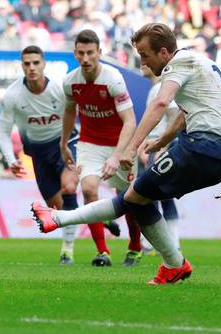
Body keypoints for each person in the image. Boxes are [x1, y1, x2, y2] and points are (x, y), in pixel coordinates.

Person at [32, 23, 221, 285]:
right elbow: (186, 115)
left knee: (134, 197)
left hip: (201, 147)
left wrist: (130, 148)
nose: (143, 63)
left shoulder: (179, 64)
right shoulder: (203, 64)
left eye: (145, 55)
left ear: (164, 52)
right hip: (219, 156)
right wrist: (162, 140)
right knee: (137, 196)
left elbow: (161, 103)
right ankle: (172, 264)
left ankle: (61, 219)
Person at [60, 30, 142, 267]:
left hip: (121, 144)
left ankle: (135, 247)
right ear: (75, 53)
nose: (85, 58)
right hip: (90, 143)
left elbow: (130, 121)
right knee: (88, 188)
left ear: (99, 53)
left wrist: (118, 155)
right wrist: (64, 142)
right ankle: (103, 252)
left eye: (90, 53)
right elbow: (69, 111)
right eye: (81, 53)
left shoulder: (113, 79)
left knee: (128, 199)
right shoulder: (70, 81)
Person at [0, 45, 80, 264]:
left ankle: (67, 250)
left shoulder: (59, 89)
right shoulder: (13, 96)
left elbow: (76, 114)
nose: (32, 67)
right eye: (27, 63)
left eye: (36, 63)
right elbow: (3, 133)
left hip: (65, 142)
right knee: (58, 207)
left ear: (44, 64)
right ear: (22, 66)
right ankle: (96, 219)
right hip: (38, 152)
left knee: (69, 187)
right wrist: (11, 160)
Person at [138, 65, 181, 254]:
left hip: (160, 146)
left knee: (150, 194)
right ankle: (172, 241)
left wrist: (162, 147)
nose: (142, 64)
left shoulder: (163, 88)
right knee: (163, 195)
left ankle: (153, 242)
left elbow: (173, 119)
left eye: (145, 59)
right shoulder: (156, 88)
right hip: (154, 146)